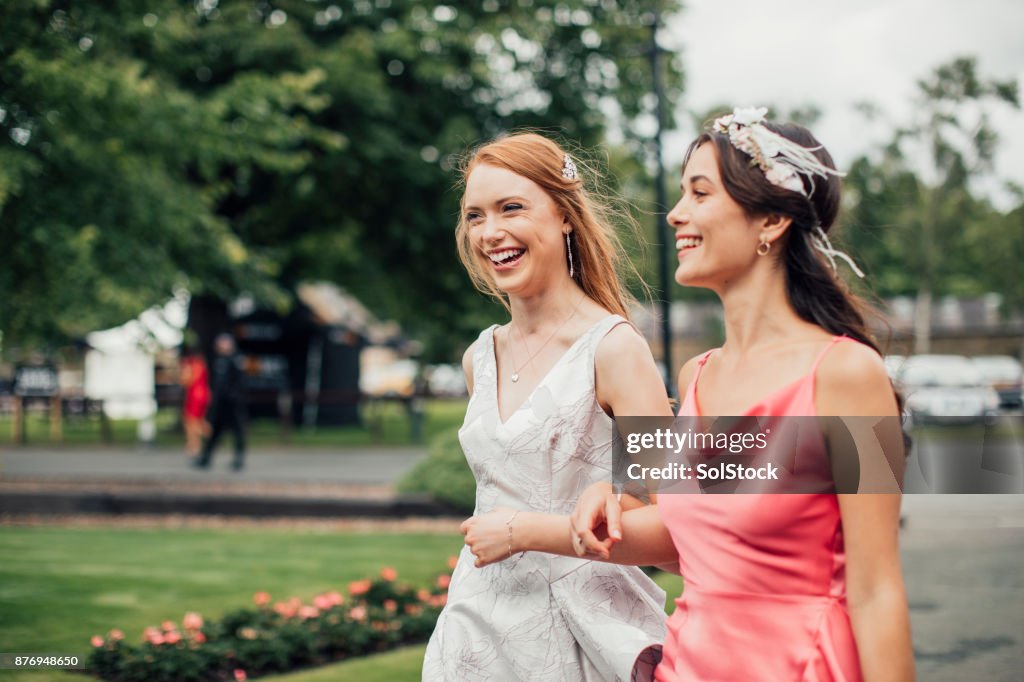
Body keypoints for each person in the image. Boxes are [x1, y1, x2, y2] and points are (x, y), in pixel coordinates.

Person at [482, 109, 915, 681]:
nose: (675, 213)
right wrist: (595, 496)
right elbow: (683, 535)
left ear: (770, 221)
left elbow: (877, 589)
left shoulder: (850, 375)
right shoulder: (698, 376)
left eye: (700, 193)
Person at [422, 133, 674, 682]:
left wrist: (525, 530)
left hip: (577, 632)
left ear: (564, 215)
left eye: (511, 208)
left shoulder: (613, 348)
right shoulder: (478, 358)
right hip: (473, 628)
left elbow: (674, 519)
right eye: (475, 216)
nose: (491, 232)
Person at [193, 333, 247, 471]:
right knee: (215, 431)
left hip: (232, 403)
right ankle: (206, 458)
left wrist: (234, 396)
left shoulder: (236, 359)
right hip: (220, 403)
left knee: (238, 432)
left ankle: (239, 460)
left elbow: (240, 382)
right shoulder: (219, 360)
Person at [180, 348, 211, 458]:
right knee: (200, 420)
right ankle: (210, 438)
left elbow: (186, 380)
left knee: (191, 421)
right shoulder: (201, 364)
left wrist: (181, 377)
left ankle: (194, 444)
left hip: (195, 395)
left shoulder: (191, 364)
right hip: (203, 394)